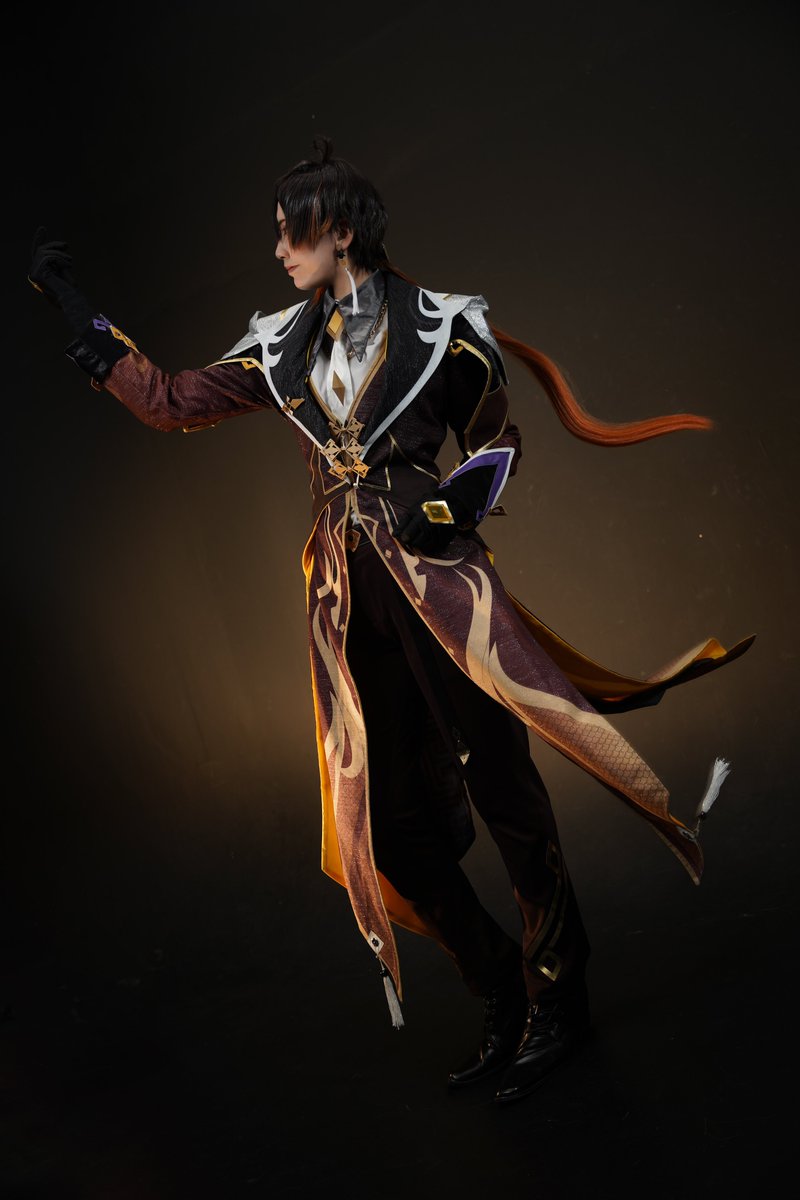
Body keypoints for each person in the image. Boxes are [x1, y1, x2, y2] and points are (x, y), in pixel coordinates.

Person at [28, 137, 753, 1105]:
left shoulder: (446, 326)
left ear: (338, 229)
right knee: (388, 826)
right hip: (347, 607)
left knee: (508, 794)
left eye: (289, 231)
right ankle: (498, 985)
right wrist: (76, 309)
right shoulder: (277, 343)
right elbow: (169, 404)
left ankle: (558, 997)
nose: (277, 250)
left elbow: (499, 436)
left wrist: (453, 503)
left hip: (445, 593)